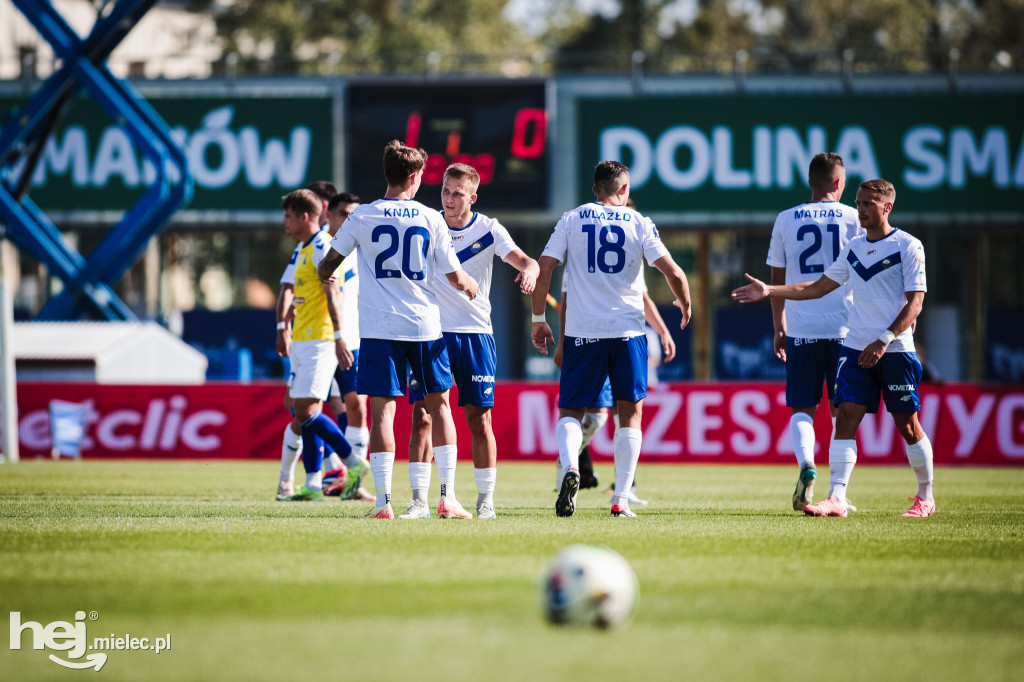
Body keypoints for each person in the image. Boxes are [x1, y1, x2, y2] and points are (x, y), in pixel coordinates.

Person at [732, 178, 935, 518]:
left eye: (869, 203)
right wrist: (771, 290)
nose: (861, 209)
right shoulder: (854, 247)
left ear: (887, 207)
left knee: (907, 425)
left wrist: (883, 340)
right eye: (858, 202)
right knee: (845, 421)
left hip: (895, 350)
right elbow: (817, 286)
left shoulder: (908, 246)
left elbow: (916, 303)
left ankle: (925, 497)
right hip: (854, 349)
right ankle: (836, 498)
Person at [317, 140, 479, 520]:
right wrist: (469, 284)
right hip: (424, 326)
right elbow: (455, 275)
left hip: (377, 329)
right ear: (413, 177)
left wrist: (331, 274)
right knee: (440, 409)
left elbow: (328, 266)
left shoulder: (362, 216)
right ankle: (446, 499)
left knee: (382, 415)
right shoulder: (430, 217)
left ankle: (382, 503)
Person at [531, 160, 692, 518]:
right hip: (628, 333)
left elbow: (544, 268)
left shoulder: (572, 219)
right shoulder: (639, 222)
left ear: (594, 190)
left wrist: (538, 318)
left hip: (582, 331)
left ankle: (571, 467)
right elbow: (673, 272)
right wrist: (685, 302)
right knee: (629, 416)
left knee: (571, 409)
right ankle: (620, 498)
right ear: (624, 190)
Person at [402, 163, 540, 520]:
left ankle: (485, 502)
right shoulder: (428, 223)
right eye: (445, 191)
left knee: (480, 419)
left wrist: (529, 272)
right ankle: (419, 502)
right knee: (422, 416)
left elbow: (528, 262)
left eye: (457, 193)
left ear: (472, 197)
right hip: (430, 334)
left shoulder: (489, 230)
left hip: (476, 335)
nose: (448, 199)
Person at [552, 196, 676, 507]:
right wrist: (563, 343)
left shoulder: (590, 237)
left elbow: (644, 300)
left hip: (594, 337)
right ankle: (605, 485)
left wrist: (661, 329)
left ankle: (580, 466)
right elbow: (565, 302)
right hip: (611, 337)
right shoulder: (586, 252)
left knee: (603, 417)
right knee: (618, 414)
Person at [764, 152, 862, 511]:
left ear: (811, 181)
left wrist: (780, 327)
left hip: (802, 328)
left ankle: (807, 463)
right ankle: (838, 492)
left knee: (802, 408)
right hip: (846, 330)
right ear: (839, 183)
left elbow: (776, 280)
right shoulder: (856, 218)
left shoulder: (786, 218)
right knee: (842, 413)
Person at [273, 189, 367, 502]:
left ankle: (351, 464)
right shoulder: (303, 249)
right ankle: (312, 482)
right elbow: (298, 293)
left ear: (304, 216)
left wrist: (340, 336)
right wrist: (285, 323)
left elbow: (333, 293)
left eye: (288, 216)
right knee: (298, 409)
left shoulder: (322, 247)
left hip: (321, 339)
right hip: (304, 339)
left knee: (307, 410)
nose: (284, 221)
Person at [320, 191, 375, 500]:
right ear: (330, 214)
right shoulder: (321, 249)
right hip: (321, 340)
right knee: (307, 410)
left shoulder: (362, 252)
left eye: (355, 215)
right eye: (344, 213)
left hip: (353, 341)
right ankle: (328, 471)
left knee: (356, 408)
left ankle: (348, 480)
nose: (349, 220)